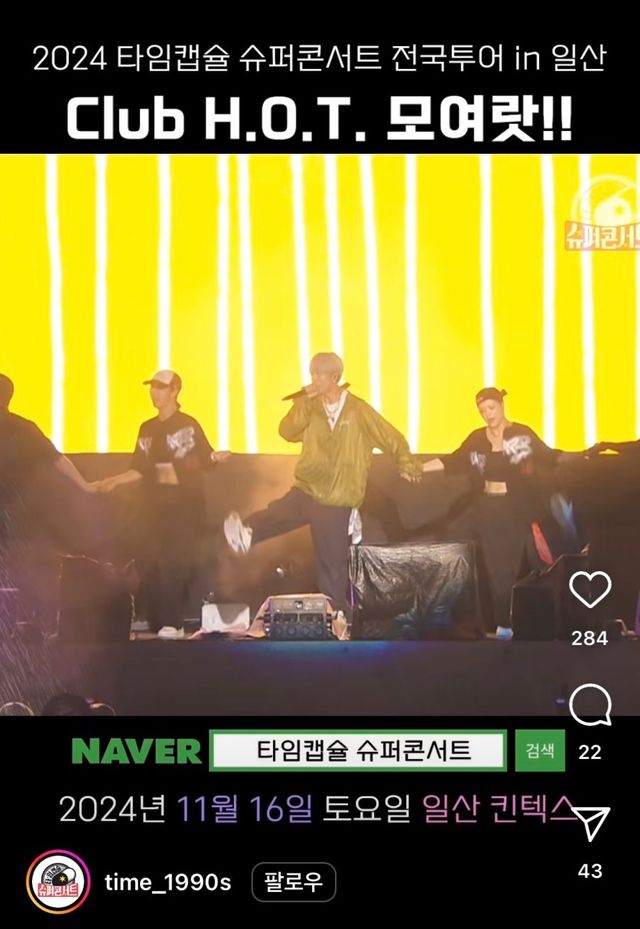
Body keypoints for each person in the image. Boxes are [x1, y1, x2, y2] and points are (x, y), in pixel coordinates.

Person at [223, 352, 422, 617]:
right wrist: (303, 402)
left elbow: (390, 437)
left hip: (337, 497)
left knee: (331, 566)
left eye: (320, 374)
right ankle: (248, 534)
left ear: (335, 377)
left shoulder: (358, 410)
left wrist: (407, 463)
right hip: (308, 486)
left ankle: (338, 615)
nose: (314, 379)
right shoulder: (311, 406)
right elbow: (287, 431)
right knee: (279, 511)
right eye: (313, 373)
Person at [422, 387, 578, 639]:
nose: (488, 414)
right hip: (485, 506)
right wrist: (417, 469)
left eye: (491, 408)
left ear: (501, 405)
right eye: (482, 411)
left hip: (511, 508)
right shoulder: (477, 438)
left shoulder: (521, 434)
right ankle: (457, 616)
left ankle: (509, 624)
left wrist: (583, 456)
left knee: (506, 568)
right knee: (457, 538)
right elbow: (453, 460)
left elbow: (549, 456)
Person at [97, 370, 230, 637]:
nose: (154, 393)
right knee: (150, 562)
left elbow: (205, 459)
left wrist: (215, 457)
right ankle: (155, 618)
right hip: (153, 508)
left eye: (161, 388)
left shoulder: (187, 425)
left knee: (174, 562)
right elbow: (138, 468)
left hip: (184, 508)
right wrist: (114, 481)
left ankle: (174, 623)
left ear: (175, 391)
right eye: (152, 387)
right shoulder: (146, 428)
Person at [0, 372, 96, 592]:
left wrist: (84, 484)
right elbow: (56, 458)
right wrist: (84, 484)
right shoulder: (25, 427)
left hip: (13, 509)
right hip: (18, 512)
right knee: (17, 564)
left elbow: (56, 458)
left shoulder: (22, 428)